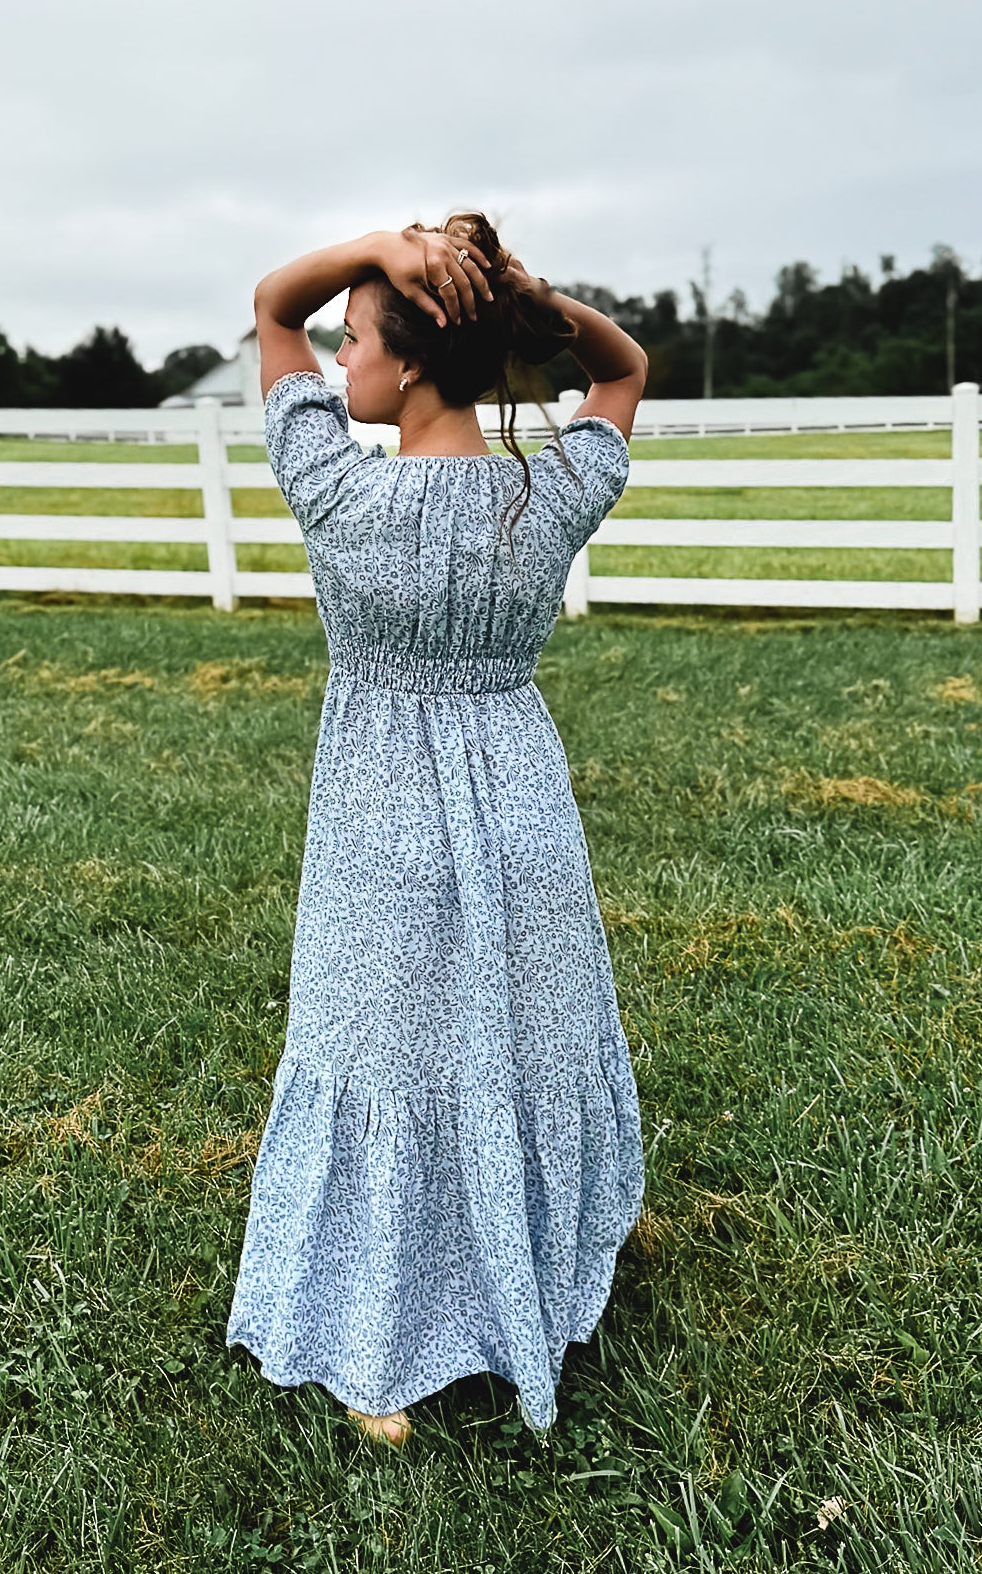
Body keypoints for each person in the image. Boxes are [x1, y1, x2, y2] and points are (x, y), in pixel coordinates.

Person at [225, 211, 648, 1447]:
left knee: (388, 1056)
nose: (342, 355)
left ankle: (383, 1360)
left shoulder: (335, 490)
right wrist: (517, 297)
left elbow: (267, 308)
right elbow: (621, 369)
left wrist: (370, 250)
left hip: (378, 822)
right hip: (520, 807)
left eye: (357, 338)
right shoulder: (550, 490)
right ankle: (538, 1260)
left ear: (405, 365)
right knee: (517, 1040)